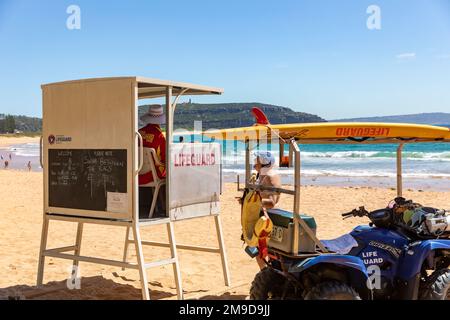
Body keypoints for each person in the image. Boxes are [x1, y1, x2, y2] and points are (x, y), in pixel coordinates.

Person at [253, 151, 281, 269]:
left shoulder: (269, 177)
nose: (254, 165)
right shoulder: (263, 176)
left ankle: (265, 275)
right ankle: (264, 274)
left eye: (257, 162)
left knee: (262, 250)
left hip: (267, 218)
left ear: (264, 163)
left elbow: (272, 202)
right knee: (259, 251)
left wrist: (253, 204)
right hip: (263, 215)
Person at [138, 104, 167, 218]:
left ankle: (157, 205)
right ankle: (163, 207)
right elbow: (165, 159)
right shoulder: (159, 136)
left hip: (137, 173)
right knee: (169, 173)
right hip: (151, 175)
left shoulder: (139, 133)